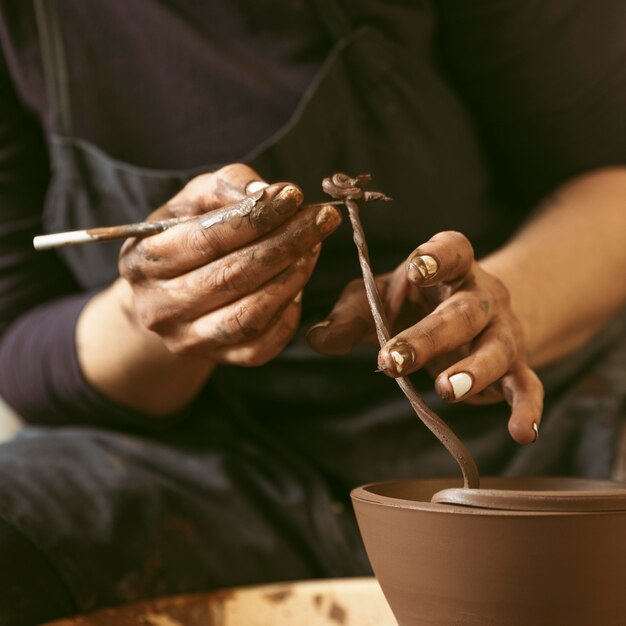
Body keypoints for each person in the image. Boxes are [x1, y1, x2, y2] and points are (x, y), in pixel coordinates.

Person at [0, 1, 625, 624]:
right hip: (212, 465)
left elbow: (611, 183)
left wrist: (495, 307)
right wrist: (158, 317)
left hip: (534, 419)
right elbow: (19, 343)